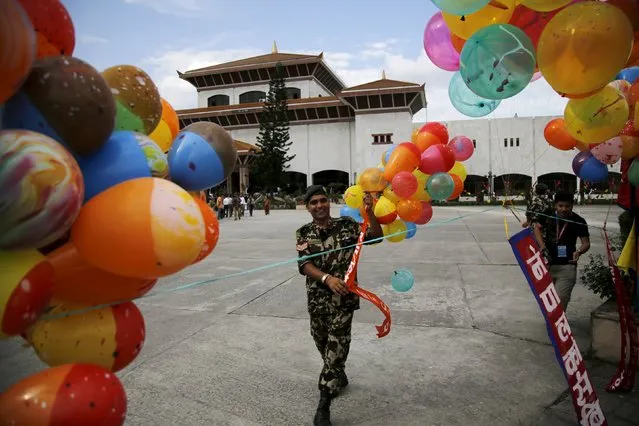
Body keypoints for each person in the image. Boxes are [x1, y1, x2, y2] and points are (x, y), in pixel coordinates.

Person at [296, 185, 383, 426]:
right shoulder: (303, 232)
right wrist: (326, 278)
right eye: (314, 202)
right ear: (308, 207)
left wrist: (370, 212)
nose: (319, 205)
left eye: (323, 200)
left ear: (329, 203)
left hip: (343, 300)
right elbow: (304, 264)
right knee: (321, 342)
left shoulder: (347, 225)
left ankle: (324, 403)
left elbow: (375, 237)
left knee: (336, 348)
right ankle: (337, 373)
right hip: (317, 300)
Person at [532, 191, 590, 311]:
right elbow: (536, 228)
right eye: (560, 206)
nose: (564, 209)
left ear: (572, 205)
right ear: (555, 205)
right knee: (548, 300)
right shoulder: (548, 214)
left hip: (567, 266)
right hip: (547, 264)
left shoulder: (579, 221)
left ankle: (558, 326)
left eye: (567, 206)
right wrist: (542, 246)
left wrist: (579, 251)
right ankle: (553, 324)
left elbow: (586, 243)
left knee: (561, 298)